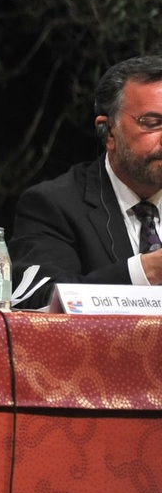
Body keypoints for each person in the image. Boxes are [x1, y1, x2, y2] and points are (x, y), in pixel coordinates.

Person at [10, 55, 162, 307]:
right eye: (152, 123)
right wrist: (144, 271)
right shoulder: (54, 205)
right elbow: (37, 300)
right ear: (109, 131)